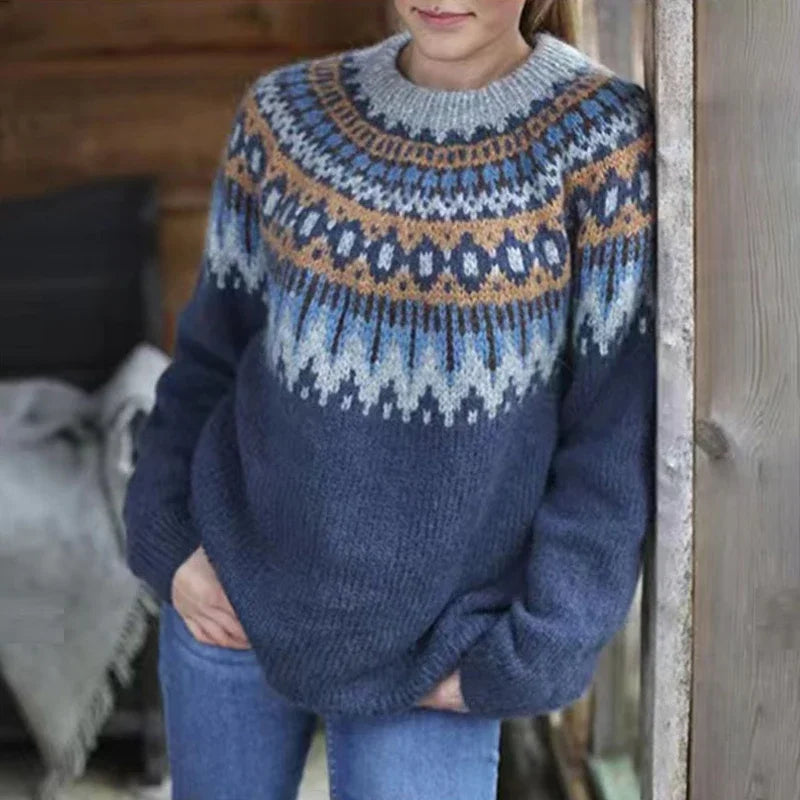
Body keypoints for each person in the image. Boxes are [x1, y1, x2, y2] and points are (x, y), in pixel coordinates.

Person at [123, 0, 657, 797]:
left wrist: (536, 650)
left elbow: (612, 432)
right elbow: (210, 355)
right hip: (231, 593)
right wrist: (170, 539)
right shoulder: (286, 113)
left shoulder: (601, 139)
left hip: (439, 648)